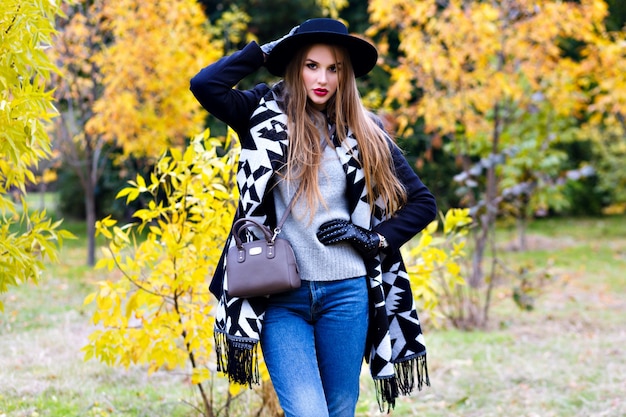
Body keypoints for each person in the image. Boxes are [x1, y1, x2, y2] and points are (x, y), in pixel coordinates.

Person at [190, 18, 437, 417]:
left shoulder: (365, 130)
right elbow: (205, 85)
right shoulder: (260, 114)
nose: (323, 78)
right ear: (294, 66)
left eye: (334, 68)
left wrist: (372, 239)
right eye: (311, 65)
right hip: (281, 295)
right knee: (308, 411)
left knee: (340, 409)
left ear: (345, 75)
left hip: (347, 294)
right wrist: (269, 50)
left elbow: (423, 204)